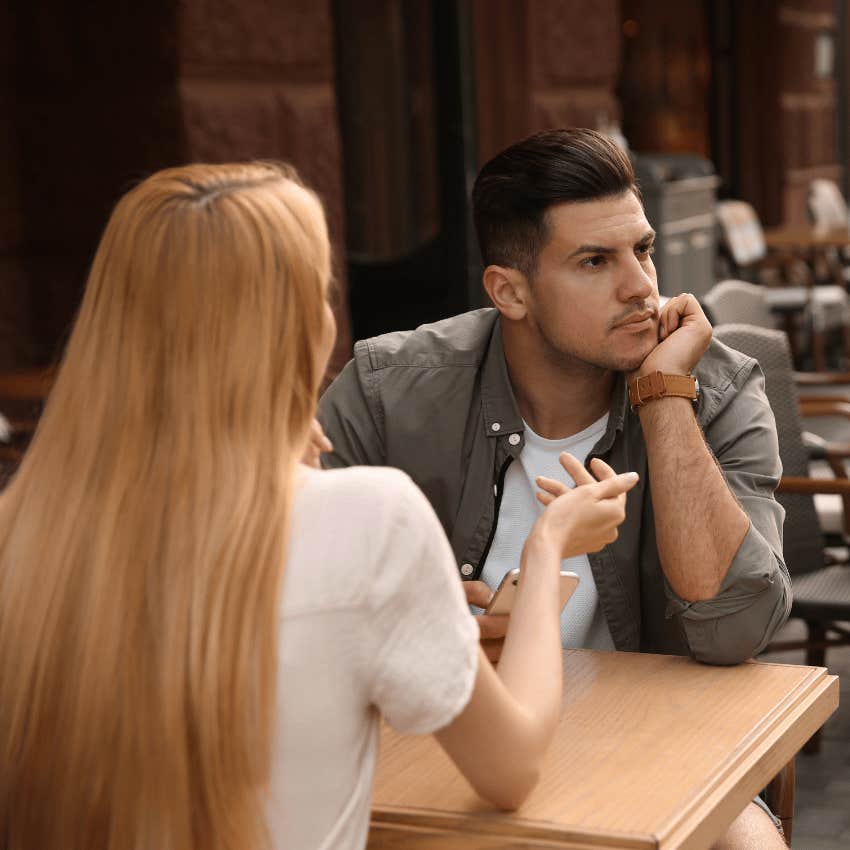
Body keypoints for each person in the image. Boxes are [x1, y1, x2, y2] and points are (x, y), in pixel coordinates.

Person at [0, 162, 639, 850]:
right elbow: (511, 769)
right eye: (322, 294)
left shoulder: (26, 527)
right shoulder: (369, 519)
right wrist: (547, 552)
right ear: (295, 326)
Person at [318, 129, 791, 848]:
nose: (641, 286)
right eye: (595, 261)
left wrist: (664, 396)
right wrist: (421, 621)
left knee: (746, 844)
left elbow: (734, 630)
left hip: (654, 749)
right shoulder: (389, 391)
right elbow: (286, 593)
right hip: (445, 745)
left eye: (643, 249)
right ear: (509, 290)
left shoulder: (715, 387)